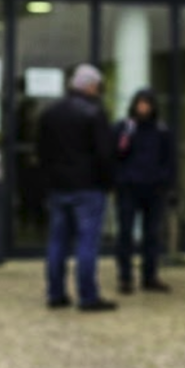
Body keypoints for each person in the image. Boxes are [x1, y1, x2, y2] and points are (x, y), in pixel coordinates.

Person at [37, 64, 117, 312]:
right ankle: (87, 296)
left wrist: (49, 180)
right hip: (88, 187)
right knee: (87, 242)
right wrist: (108, 182)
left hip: (59, 186)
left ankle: (55, 292)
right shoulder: (94, 113)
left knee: (57, 241)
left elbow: (41, 151)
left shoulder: (50, 113)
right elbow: (105, 153)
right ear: (91, 85)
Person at [112, 88, 175, 294]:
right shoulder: (125, 128)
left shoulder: (161, 130)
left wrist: (165, 181)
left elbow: (169, 159)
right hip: (128, 189)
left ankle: (150, 276)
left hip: (154, 190)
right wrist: (119, 180)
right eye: (140, 104)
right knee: (125, 234)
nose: (143, 108)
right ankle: (125, 277)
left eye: (147, 104)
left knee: (152, 234)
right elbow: (114, 154)